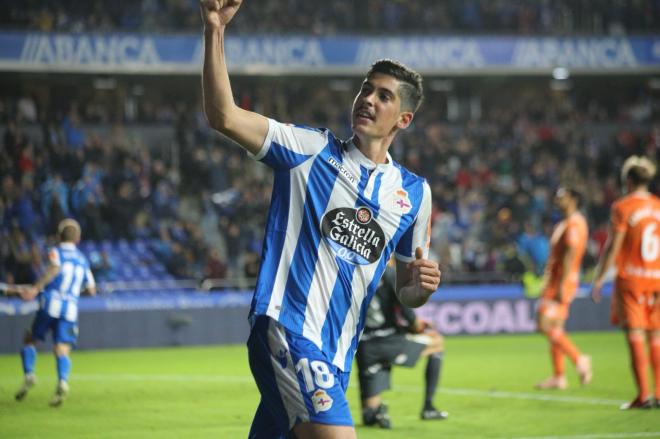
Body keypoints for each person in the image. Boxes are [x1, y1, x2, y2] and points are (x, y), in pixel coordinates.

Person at [200, 1, 442, 437]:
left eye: (383, 96)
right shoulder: (308, 151)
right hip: (287, 326)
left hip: (336, 355)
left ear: (404, 119)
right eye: (366, 89)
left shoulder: (415, 195)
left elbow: (407, 291)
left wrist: (420, 288)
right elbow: (224, 116)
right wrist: (214, 29)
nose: (367, 99)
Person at [592, 156, 660, 410]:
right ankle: (659, 393)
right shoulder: (658, 205)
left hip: (632, 279)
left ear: (628, 181)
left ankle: (643, 395)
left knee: (635, 336)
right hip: (657, 279)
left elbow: (613, 247)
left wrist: (599, 278)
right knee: (656, 337)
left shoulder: (623, 207)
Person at [14, 218, 96, 407]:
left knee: (30, 338)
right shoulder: (83, 260)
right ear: (78, 238)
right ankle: (62, 382)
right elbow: (91, 290)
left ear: (59, 236)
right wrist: (74, 294)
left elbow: (54, 269)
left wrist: (36, 288)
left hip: (51, 302)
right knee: (62, 348)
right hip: (71, 308)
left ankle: (29, 374)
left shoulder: (56, 252)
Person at [356, 261, 447, 429]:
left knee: (369, 414)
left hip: (364, 348)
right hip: (390, 341)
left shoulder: (355, 273)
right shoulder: (389, 273)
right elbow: (407, 311)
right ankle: (428, 407)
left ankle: (376, 412)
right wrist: (416, 326)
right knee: (437, 343)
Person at [535, 187, 592, 390]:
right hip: (555, 281)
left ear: (574, 199)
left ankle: (579, 359)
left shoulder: (575, 223)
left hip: (560, 283)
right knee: (555, 330)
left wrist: (563, 284)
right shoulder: (565, 223)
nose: (558, 201)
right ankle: (559, 377)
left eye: (562, 198)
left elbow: (570, 254)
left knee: (543, 324)